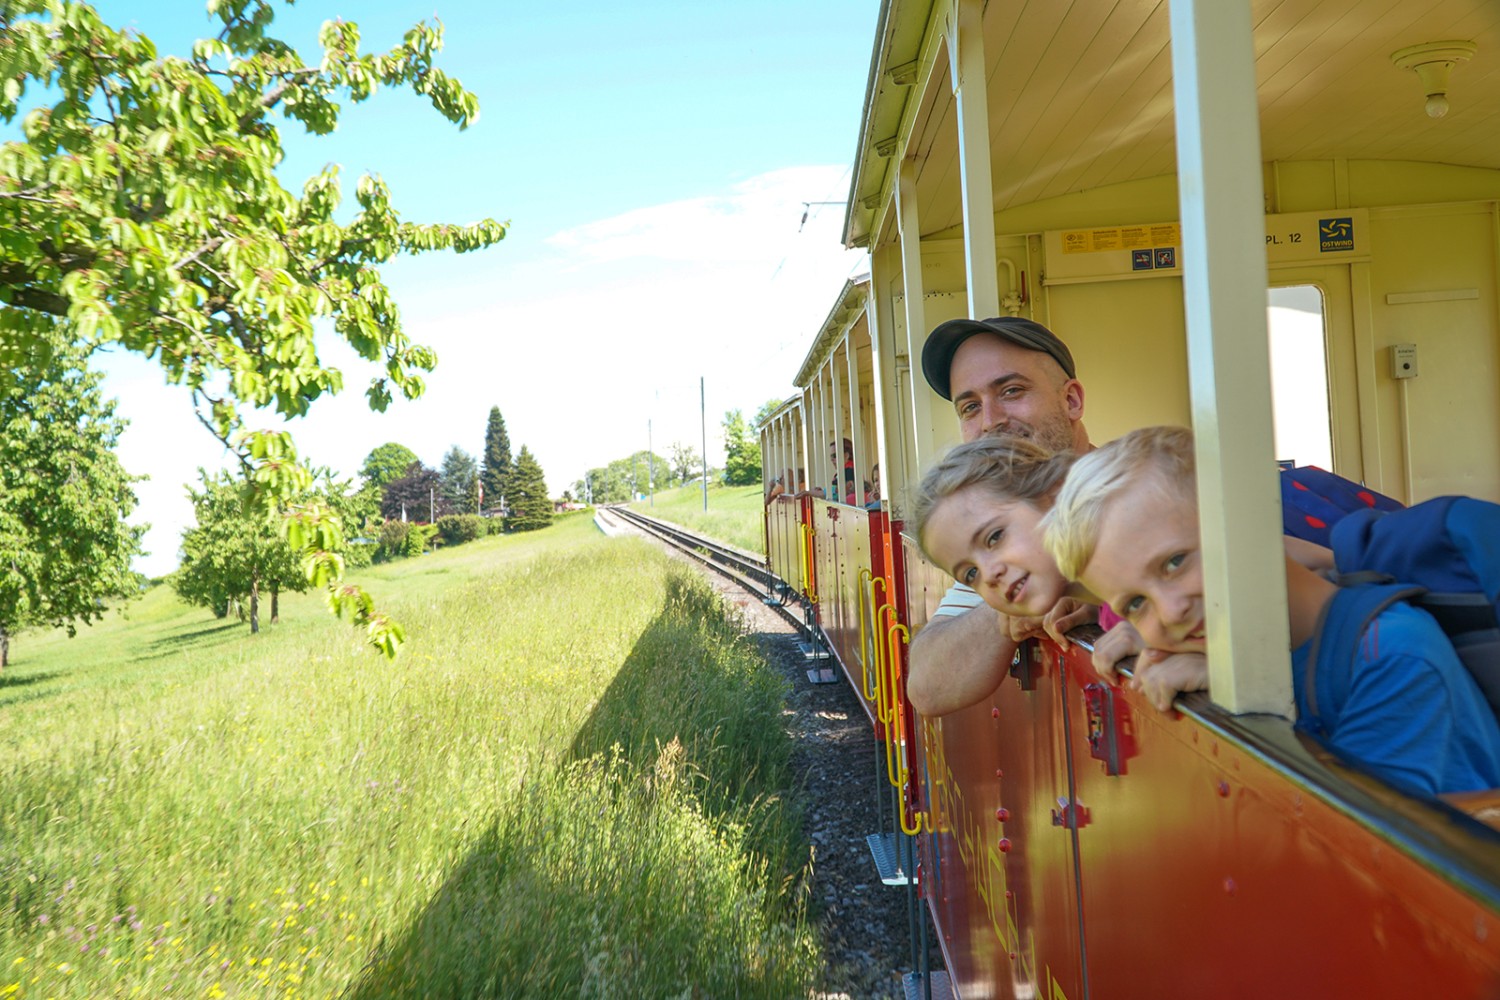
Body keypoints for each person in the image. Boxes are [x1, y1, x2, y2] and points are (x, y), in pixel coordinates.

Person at [1042, 425, 1500, 796]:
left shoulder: (1392, 656)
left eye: (1175, 561)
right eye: (1135, 604)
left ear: (1251, 516)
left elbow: (1358, 859)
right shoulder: (1238, 649)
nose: (1171, 610)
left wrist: (1248, 695)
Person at [905, 317, 1101, 716]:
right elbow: (926, 687)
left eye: (1011, 391)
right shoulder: (1005, 539)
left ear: (1072, 400)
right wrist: (1005, 612)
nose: (991, 421)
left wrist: (1107, 605)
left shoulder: (1143, 492)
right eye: (971, 407)